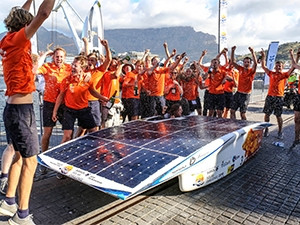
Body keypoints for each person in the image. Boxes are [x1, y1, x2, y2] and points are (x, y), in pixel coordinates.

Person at [0, 0, 56, 224]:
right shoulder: (18, 40)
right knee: (31, 162)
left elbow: (26, 14)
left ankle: (9, 201)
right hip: (22, 111)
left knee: (19, 155)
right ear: (24, 25)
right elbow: (43, 14)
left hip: (12, 108)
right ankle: (21, 216)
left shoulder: (6, 39)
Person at [52, 55, 109, 144]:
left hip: (83, 109)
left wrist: (103, 98)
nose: (72, 67)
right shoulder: (67, 80)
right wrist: (55, 111)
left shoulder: (87, 80)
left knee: (94, 132)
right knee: (67, 136)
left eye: (75, 66)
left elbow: (93, 91)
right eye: (72, 65)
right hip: (69, 110)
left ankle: (96, 151)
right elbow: (61, 95)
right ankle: (62, 154)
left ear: (82, 68)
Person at [37, 47, 71, 167]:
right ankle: (43, 158)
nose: (59, 59)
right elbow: (35, 69)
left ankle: (62, 158)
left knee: (68, 133)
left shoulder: (69, 68)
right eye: (57, 56)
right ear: (53, 57)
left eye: (61, 56)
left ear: (64, 57)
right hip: (49, 103)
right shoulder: (47, 67)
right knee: (47, 133)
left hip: (64, 104)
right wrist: (45, 53)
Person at [75, 38, 112, 136]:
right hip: (83, 102)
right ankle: (75, 144)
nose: (90, 62)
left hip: (94, 102)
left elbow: (109, 60)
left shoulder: (99, 71)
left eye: (93, 60)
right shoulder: (83, 71)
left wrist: (106, 47)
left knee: (95, 127)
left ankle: (95, 146)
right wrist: (86, 43)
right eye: (89, 60)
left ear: (96, 61)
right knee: (82, 128)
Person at [261, 49, 295, 139]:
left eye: (280, 66)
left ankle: (280, 131)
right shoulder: (271, 73)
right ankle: (266, 129)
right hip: (270, 97)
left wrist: (292, 55)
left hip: (279, 98)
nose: (278, 67)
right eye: (277, 66)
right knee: (267, 115)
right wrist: (263, 56)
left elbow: (293, 67)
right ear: (275, 67)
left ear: (282, 67)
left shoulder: (285, 75)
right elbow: (263, 66)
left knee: (278, 116)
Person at [230, 46, 258, 120]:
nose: (246, 63)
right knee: (232, 111)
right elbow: (232, 62)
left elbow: (255, 64)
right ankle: (234, 125)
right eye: (245, 62)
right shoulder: (240, 69)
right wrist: (232, 51)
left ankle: (244, 127)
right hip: (238, 93)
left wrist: (252, 52)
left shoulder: (252, 71)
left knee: (242, 114)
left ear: (250, 63)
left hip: (245, 95)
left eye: (248, 62)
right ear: (243, 63)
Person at [289, 49, 300, 149]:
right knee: (296, 119)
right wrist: (293, 55)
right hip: (299, 97)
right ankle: (296, 139)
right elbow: (294, 65)